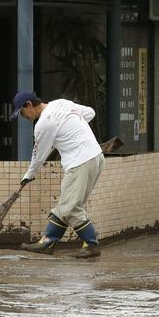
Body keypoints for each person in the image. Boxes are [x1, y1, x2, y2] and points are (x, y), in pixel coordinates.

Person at [12, 90, 104, 259]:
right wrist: (71, 130)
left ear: (29, 105)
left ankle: (91, 244)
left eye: (21, 112)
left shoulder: (44, 124)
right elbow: (90, 112)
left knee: (70, 208)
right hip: (96, 157)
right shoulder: (61, 103)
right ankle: (47, 242)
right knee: (66, 205)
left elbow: (38, 155)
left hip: (80, 162)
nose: (23, 117)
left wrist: (28, 175)